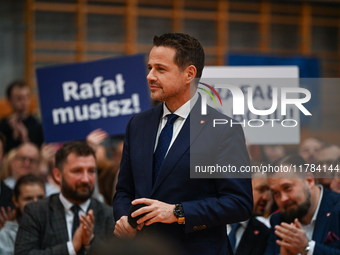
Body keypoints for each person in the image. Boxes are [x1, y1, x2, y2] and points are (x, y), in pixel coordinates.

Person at [113, 33, 253, 255]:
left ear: (189, 74)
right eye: (150, 67)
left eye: (160, 69)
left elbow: (238, 203)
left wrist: (178, 212)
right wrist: (123, 219)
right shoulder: (137, 124)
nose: (150, 76)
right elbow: (124, 190)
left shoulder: (223, 129)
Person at [15, 141, 115, 255]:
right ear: (58, 175)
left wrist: (91, 242)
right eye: (77, 171)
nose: (86, 179)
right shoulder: (36, 212)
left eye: (91, 171)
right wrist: (71, 248)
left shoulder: (109, 215)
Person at [264, 155, 340, 255]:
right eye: (276, 193)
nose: (283, 199)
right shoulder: (279, 220)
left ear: (309, 181)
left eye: (287, 188)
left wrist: (307, 248)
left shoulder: (337, 208)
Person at [0, 174, 46, 255]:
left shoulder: (55, 226)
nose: (35, 203)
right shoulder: (7, 235)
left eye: (40, 197)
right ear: (16, 201)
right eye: (28, 199)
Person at [227, 171, 271, 255]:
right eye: (261, 190)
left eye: (269, 191)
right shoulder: (210, 220)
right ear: (242, 188)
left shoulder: (264, 234)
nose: (267, 198)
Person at [0, 80, 44, 153]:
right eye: (19, 98)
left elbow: (39, 153)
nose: (24, 102)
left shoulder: (36, 124)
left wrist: (24, 138)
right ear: (9, 100)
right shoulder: (3, 125)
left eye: (27, 97)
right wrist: (14, 135)